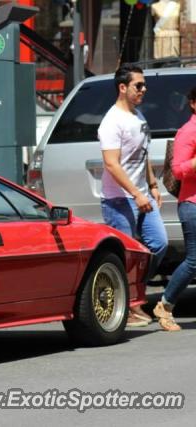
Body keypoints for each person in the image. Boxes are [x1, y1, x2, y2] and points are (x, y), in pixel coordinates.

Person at [98, 63, 168, 327]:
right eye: (139, 85)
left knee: (157, 244)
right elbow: (111, 164)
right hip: (118, 199)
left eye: (144, 85)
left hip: (141, 195)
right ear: (122, 87)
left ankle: (134, 294)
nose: (144, 89)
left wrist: (151, 185)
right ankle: (126, 306)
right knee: (125, 254)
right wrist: (136, 194)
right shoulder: (111, 122)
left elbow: (143, 155)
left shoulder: (139, 116)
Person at [154, 87, 196, 331]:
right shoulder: (188, 131)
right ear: (193, 103)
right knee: (193, 261)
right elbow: (178, 169)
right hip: (191, 204)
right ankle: (165, 305)